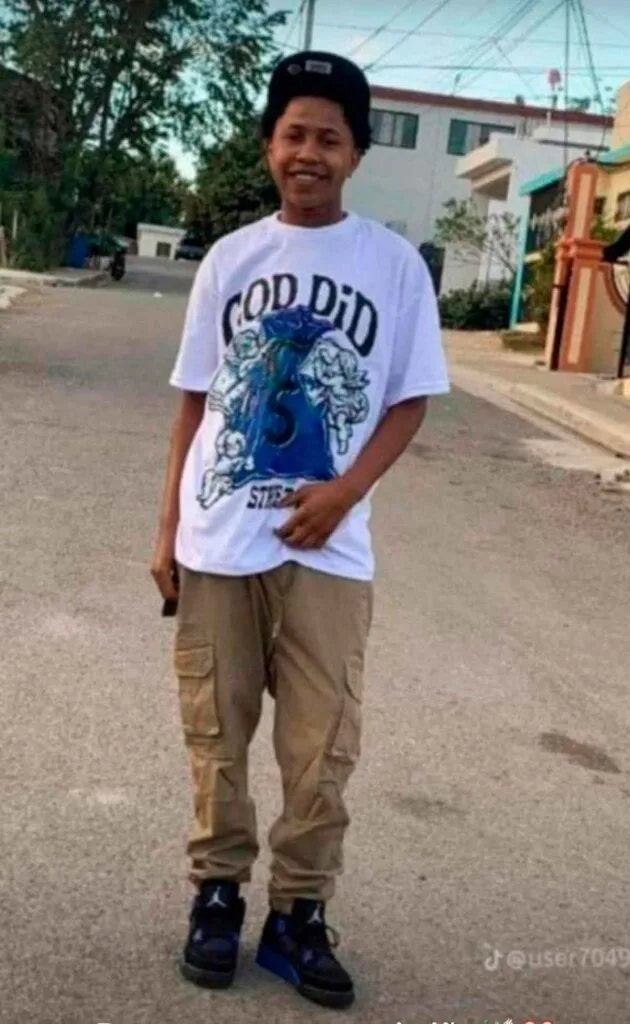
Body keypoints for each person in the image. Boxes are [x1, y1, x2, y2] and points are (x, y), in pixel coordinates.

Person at [151, 49, 449, 1010]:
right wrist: (167, 532)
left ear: (356, 153)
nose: (308, 153)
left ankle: (298, 915)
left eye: (328, 136)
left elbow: (408, 399)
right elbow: (194, 403)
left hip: (330, 547)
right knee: (216, 727)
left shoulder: (393, 267)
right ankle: (217, 895)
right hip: (218, 542)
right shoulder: (230, 261)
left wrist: (344, 492)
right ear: (269, 146)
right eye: (293, 134)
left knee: (323, 742)